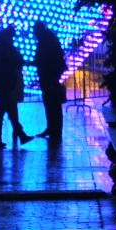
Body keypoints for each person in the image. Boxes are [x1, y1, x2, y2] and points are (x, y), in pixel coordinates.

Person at [32, 23, 68, 151]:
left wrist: (34, 62)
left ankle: (55, 131)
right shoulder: (49, 38)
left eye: (35, 32)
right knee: (51, 104)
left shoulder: (46, 41)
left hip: (49, 75)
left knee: (52, 103)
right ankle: (52, 128)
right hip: (50, 75)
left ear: (39, 31)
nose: (34, 35)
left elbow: (43, 58)